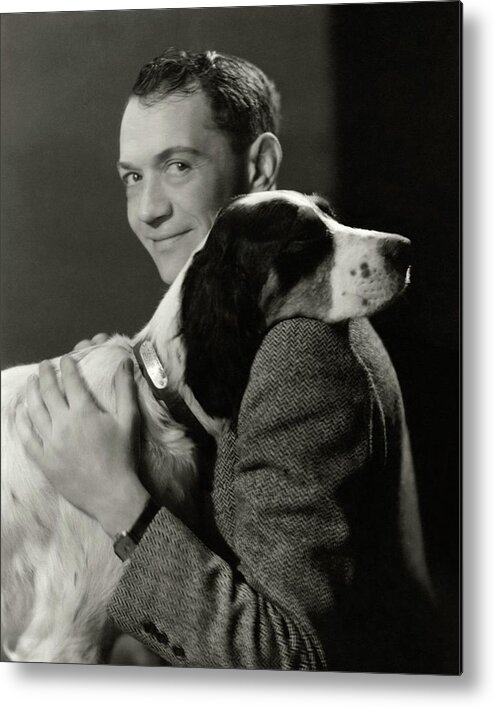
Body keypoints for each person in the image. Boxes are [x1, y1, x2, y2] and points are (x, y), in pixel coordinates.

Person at [16, 48, 441, 672]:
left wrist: (119, 503)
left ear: (261, 167)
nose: (148, 209)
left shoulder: (301, 352)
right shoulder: (237, 337)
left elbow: (287, 658)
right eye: (132, 176)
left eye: (178, 166)